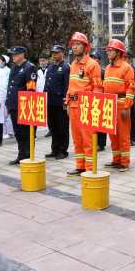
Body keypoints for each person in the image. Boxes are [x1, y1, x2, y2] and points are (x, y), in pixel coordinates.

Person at [66, 32, 103, 176]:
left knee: (88, 140)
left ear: (85, 47)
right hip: (74, 106)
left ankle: (89, 168)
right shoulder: (73, 65)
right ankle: (80, 166)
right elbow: (71, 85)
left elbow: (98, 89)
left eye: (78, 44)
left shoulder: (92, 65)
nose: (75, 47)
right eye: (73, 44)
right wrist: (68, 102)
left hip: (87, 106)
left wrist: (93, 108)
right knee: (77, 139)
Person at [102, 40, 135, 172]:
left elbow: (131, 89)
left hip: (122, 105)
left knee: (123, 135)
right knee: (113, 134)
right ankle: (116, 159)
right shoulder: (108, 68)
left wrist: (127, 107)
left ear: (118, 52)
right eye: (108, 50)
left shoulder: (127, 68)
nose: (108, 52)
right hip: (110, 105)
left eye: (111, 50)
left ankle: (125, 162)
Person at [5, 46, 37, 165]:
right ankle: (21, 154)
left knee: (26, 132)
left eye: (15, 54)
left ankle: (28, 155)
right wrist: (8, 104)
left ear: (22, 54)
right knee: (18, 132)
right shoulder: (14, 67)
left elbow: (31, 89)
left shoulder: (29, 68)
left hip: (24, 105)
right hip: (14, 105)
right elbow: (11, 87)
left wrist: (27, 106)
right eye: (12, 54)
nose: (13, 56)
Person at [41, 45, 70, 159]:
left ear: (63, 53)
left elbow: (67, 86)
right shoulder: (51, 67)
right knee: (53, 127)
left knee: (62, 128)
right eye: (53, 53)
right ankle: (55, 149)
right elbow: (47, 85)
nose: (54, 55)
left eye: (56, 53)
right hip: (50, 101)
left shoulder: (65, 67)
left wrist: (65, 102)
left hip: (59, 102)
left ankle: (63, 150)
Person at [90, 51, 107, 152]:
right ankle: (93, 142)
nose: (93, 59)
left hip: (101, 99)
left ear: (100, 60)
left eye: (95, 58)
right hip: (90, 99)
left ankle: (101, 144)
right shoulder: (89, 70)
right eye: (91, 57)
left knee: (101, 124)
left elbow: (104, 87)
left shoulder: (103, 72)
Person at [124, 50, 135, 148]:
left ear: (129, 59)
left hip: (133, 96)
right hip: (124, 98)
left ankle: (133, 138)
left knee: (133, 119)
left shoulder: (134, 69)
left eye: (125, 58)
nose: (123, 60)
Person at [0, 55, 13, 140]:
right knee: (1, 115)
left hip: (6, 95)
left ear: (4, 62)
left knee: (7, 115)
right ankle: (4, 131)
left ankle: (9, 132)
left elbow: (7, 83)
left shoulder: (8, 71)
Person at [36, 53, 51, 137]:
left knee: (49, 113)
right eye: (40, 61)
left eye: (43, 61)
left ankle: (51, 129)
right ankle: (49, 129)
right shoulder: (38, 71)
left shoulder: (50, 69)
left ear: (47, 60)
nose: (42, 62)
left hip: (48, 94)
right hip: (40, 94)